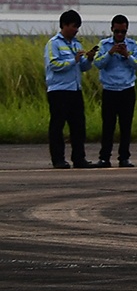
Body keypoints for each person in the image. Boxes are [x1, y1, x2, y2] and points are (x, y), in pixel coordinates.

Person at [45, 9, 97, 170]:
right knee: (57, 126)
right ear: (64, 25)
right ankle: (58, 159)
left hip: (75, 90)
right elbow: (54, 64)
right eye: (74, 26)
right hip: (59, 90)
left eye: (77, 27)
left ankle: (79, 158)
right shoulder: (53, 43)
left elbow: (82, 67)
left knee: (78, 126)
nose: (76, 30)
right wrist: (72, 60)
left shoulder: (77, 44)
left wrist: (88, 59)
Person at [94, 14, 137, 168]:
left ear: (126, 30)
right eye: (117, 32)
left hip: (127, 90)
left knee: (125, 126)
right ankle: (104, 158)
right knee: (108, 126)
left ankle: (124, 157)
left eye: (123, 32)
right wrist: (110, 53)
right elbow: (98, 63)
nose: (120, 35)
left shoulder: (134, 45)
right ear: (112, 30)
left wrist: (126, 55)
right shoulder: (104, 45)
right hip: (109, 90)